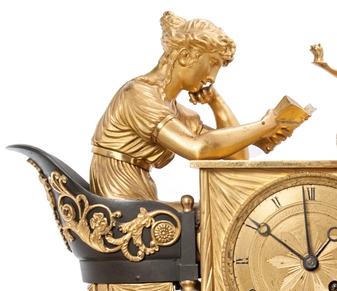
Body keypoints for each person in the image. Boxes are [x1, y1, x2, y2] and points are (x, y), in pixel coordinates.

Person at [89, 11, 294, 202]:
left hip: (139, 194)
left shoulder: (175, 111)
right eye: (212, 63)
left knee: (208, 215)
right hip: (118, 202)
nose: (212, 78)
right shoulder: (138, 95)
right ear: (186, 56)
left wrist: (217, 102)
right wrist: (265, 125)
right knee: (208, 217)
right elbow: (197, 148)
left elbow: (237, 156)